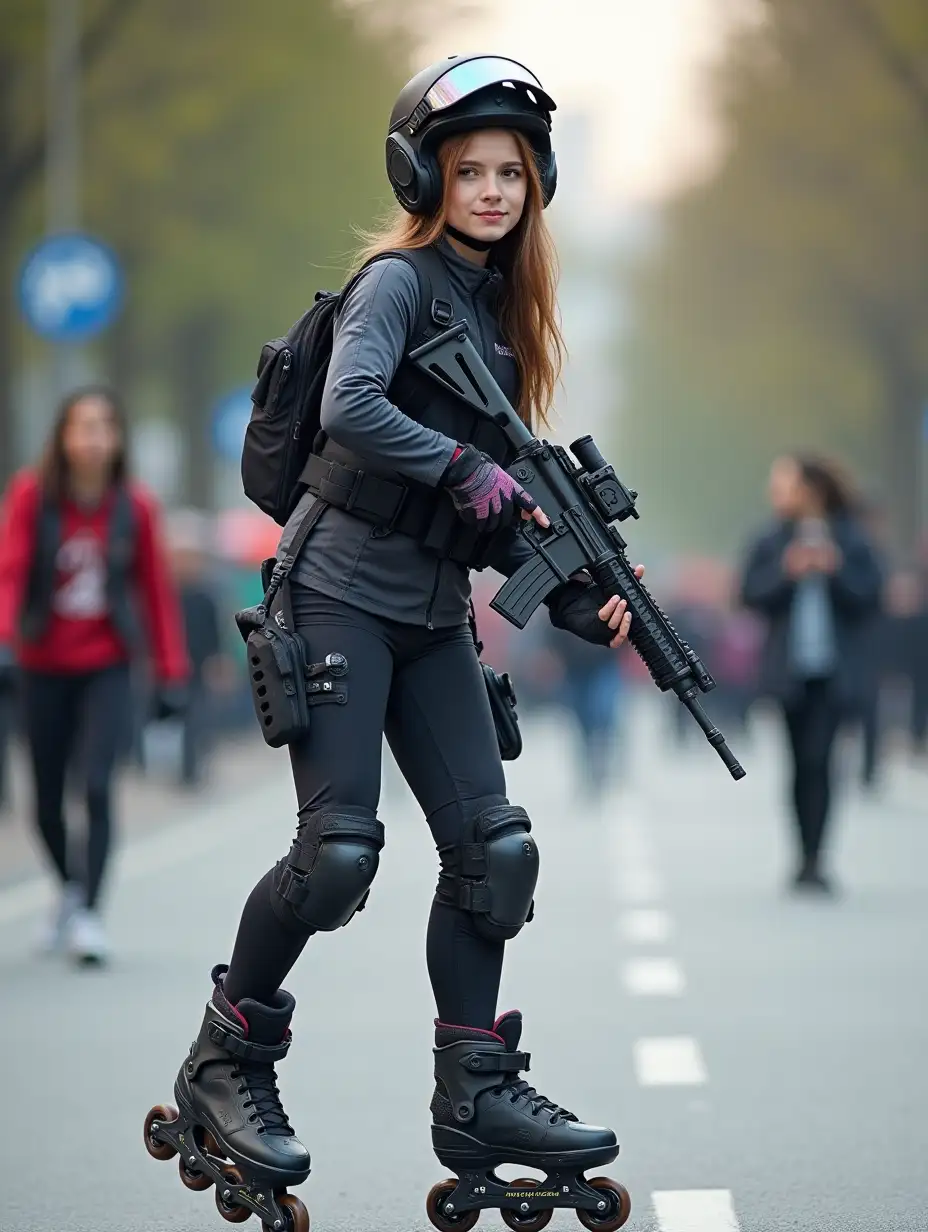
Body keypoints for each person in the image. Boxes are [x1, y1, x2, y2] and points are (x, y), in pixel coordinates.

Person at [144, 55, 635, 1232]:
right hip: (336, 593)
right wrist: (467, 465)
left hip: (429, 614)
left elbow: (505, 504)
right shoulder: (397, 286)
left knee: (495, 849)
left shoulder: (505, 328)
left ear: (536, 184)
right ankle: (225, 1059)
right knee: (340, 853)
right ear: (429, 175)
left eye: (508, 173)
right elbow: (350, 408)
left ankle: (476, 1087)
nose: (489, 190)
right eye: (468, 170)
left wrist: (581, 597)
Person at [0, 386, 189, 963]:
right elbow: (9, 573)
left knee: (100, 786)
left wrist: (170, 672)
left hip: (107, 664)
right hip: (41, 666)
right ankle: (69, 887)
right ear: (62, 436)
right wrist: (5, 642)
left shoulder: (135, 506)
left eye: (105, 425)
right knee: (46, 801)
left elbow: (156, 593)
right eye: (82, 425)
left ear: (117, 439)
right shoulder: (33, 496)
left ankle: (87, 914)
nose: (93, 437)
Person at [741, 454, 881, 895]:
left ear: (809, 489)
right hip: (789, 672)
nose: (775, 492)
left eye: (784, 483)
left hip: (834, 673)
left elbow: (871, 595)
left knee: (823, 761)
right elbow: (749, 594)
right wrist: (788, 571)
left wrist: (835, 569)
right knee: (799, 764)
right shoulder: (771, 538)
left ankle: (817, 857)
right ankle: (802, 853)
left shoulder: (851, 536)